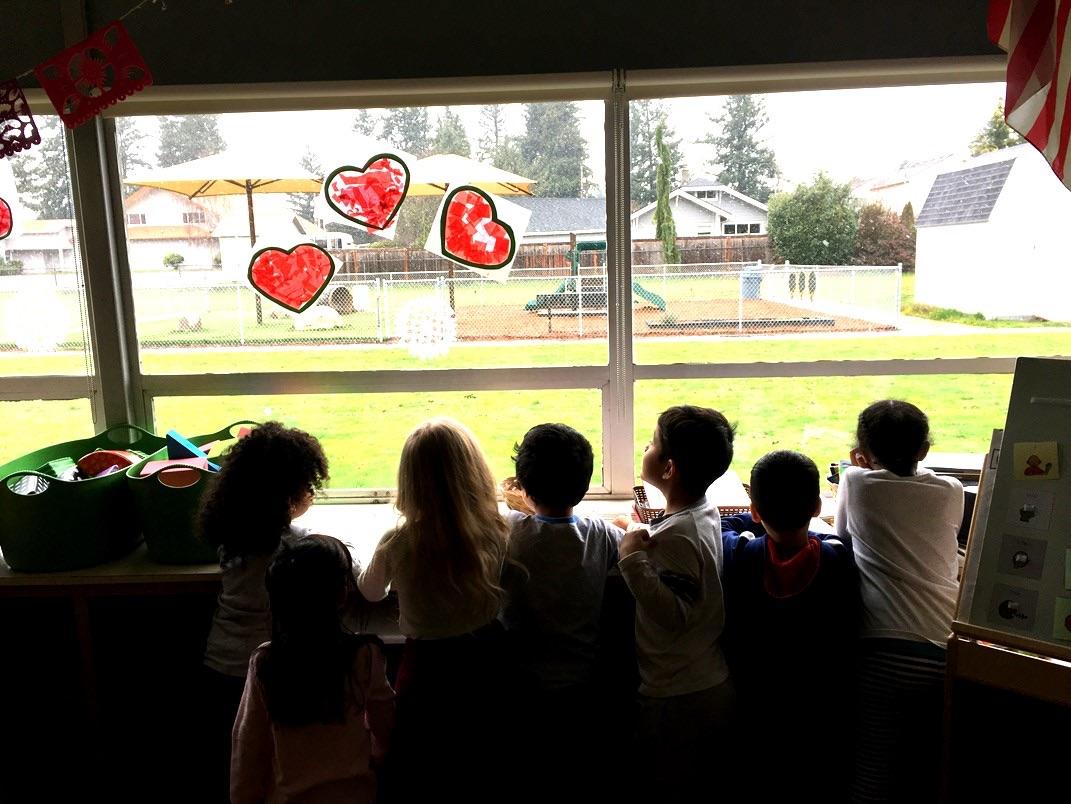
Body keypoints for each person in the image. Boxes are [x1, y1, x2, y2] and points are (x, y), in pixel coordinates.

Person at [357, 418, 510, 803]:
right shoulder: (496, 530)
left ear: (410, 482)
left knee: (422, 762)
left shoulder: (399, 541)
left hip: (427, 667)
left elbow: (371, 593)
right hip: (487, 659)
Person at [836, 400, 963, 803]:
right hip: (945, 648)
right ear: (925, 450)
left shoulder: (856, 482)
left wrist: (858, 467)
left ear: (860, 452)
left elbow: (842, 538)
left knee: (873, 767)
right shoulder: (952, 489)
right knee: (926, 767)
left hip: (883, 649)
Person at [198, 421, 329, 800]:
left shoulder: (231, 539)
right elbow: (345, 573)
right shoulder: (296, 547)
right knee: (277, 773)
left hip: (221, 666)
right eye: (307, 486)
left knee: (239, 770)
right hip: (273, 675)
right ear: (288, 494)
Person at [721, 450, 860, 800]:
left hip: (756, 701)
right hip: (820, 708)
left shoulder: (740, 556)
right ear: (816, 507)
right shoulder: (836, 557)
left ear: (755, 511)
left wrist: (754, 516)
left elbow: (720, 525)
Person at [617, 405, 736, 798]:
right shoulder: (700, 512)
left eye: (652, 444)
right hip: (700, 681)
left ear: (669, 469)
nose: (645, 449)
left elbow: (675, 613)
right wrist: (642, 531)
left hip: (679, 696)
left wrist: (632, 559)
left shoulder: (678, 536)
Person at [500, 423, 623, 799]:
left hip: (521, 687)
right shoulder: (600, 534)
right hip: (584, 689)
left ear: (522, 484)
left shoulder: (509, 532)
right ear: (585, 486)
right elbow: (630, 541)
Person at [231, 535, 394, 803]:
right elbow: (385, 726)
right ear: (342, 594)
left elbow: (248, 745)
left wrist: (243, 798)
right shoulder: (365, 656)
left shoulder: (265, 661)